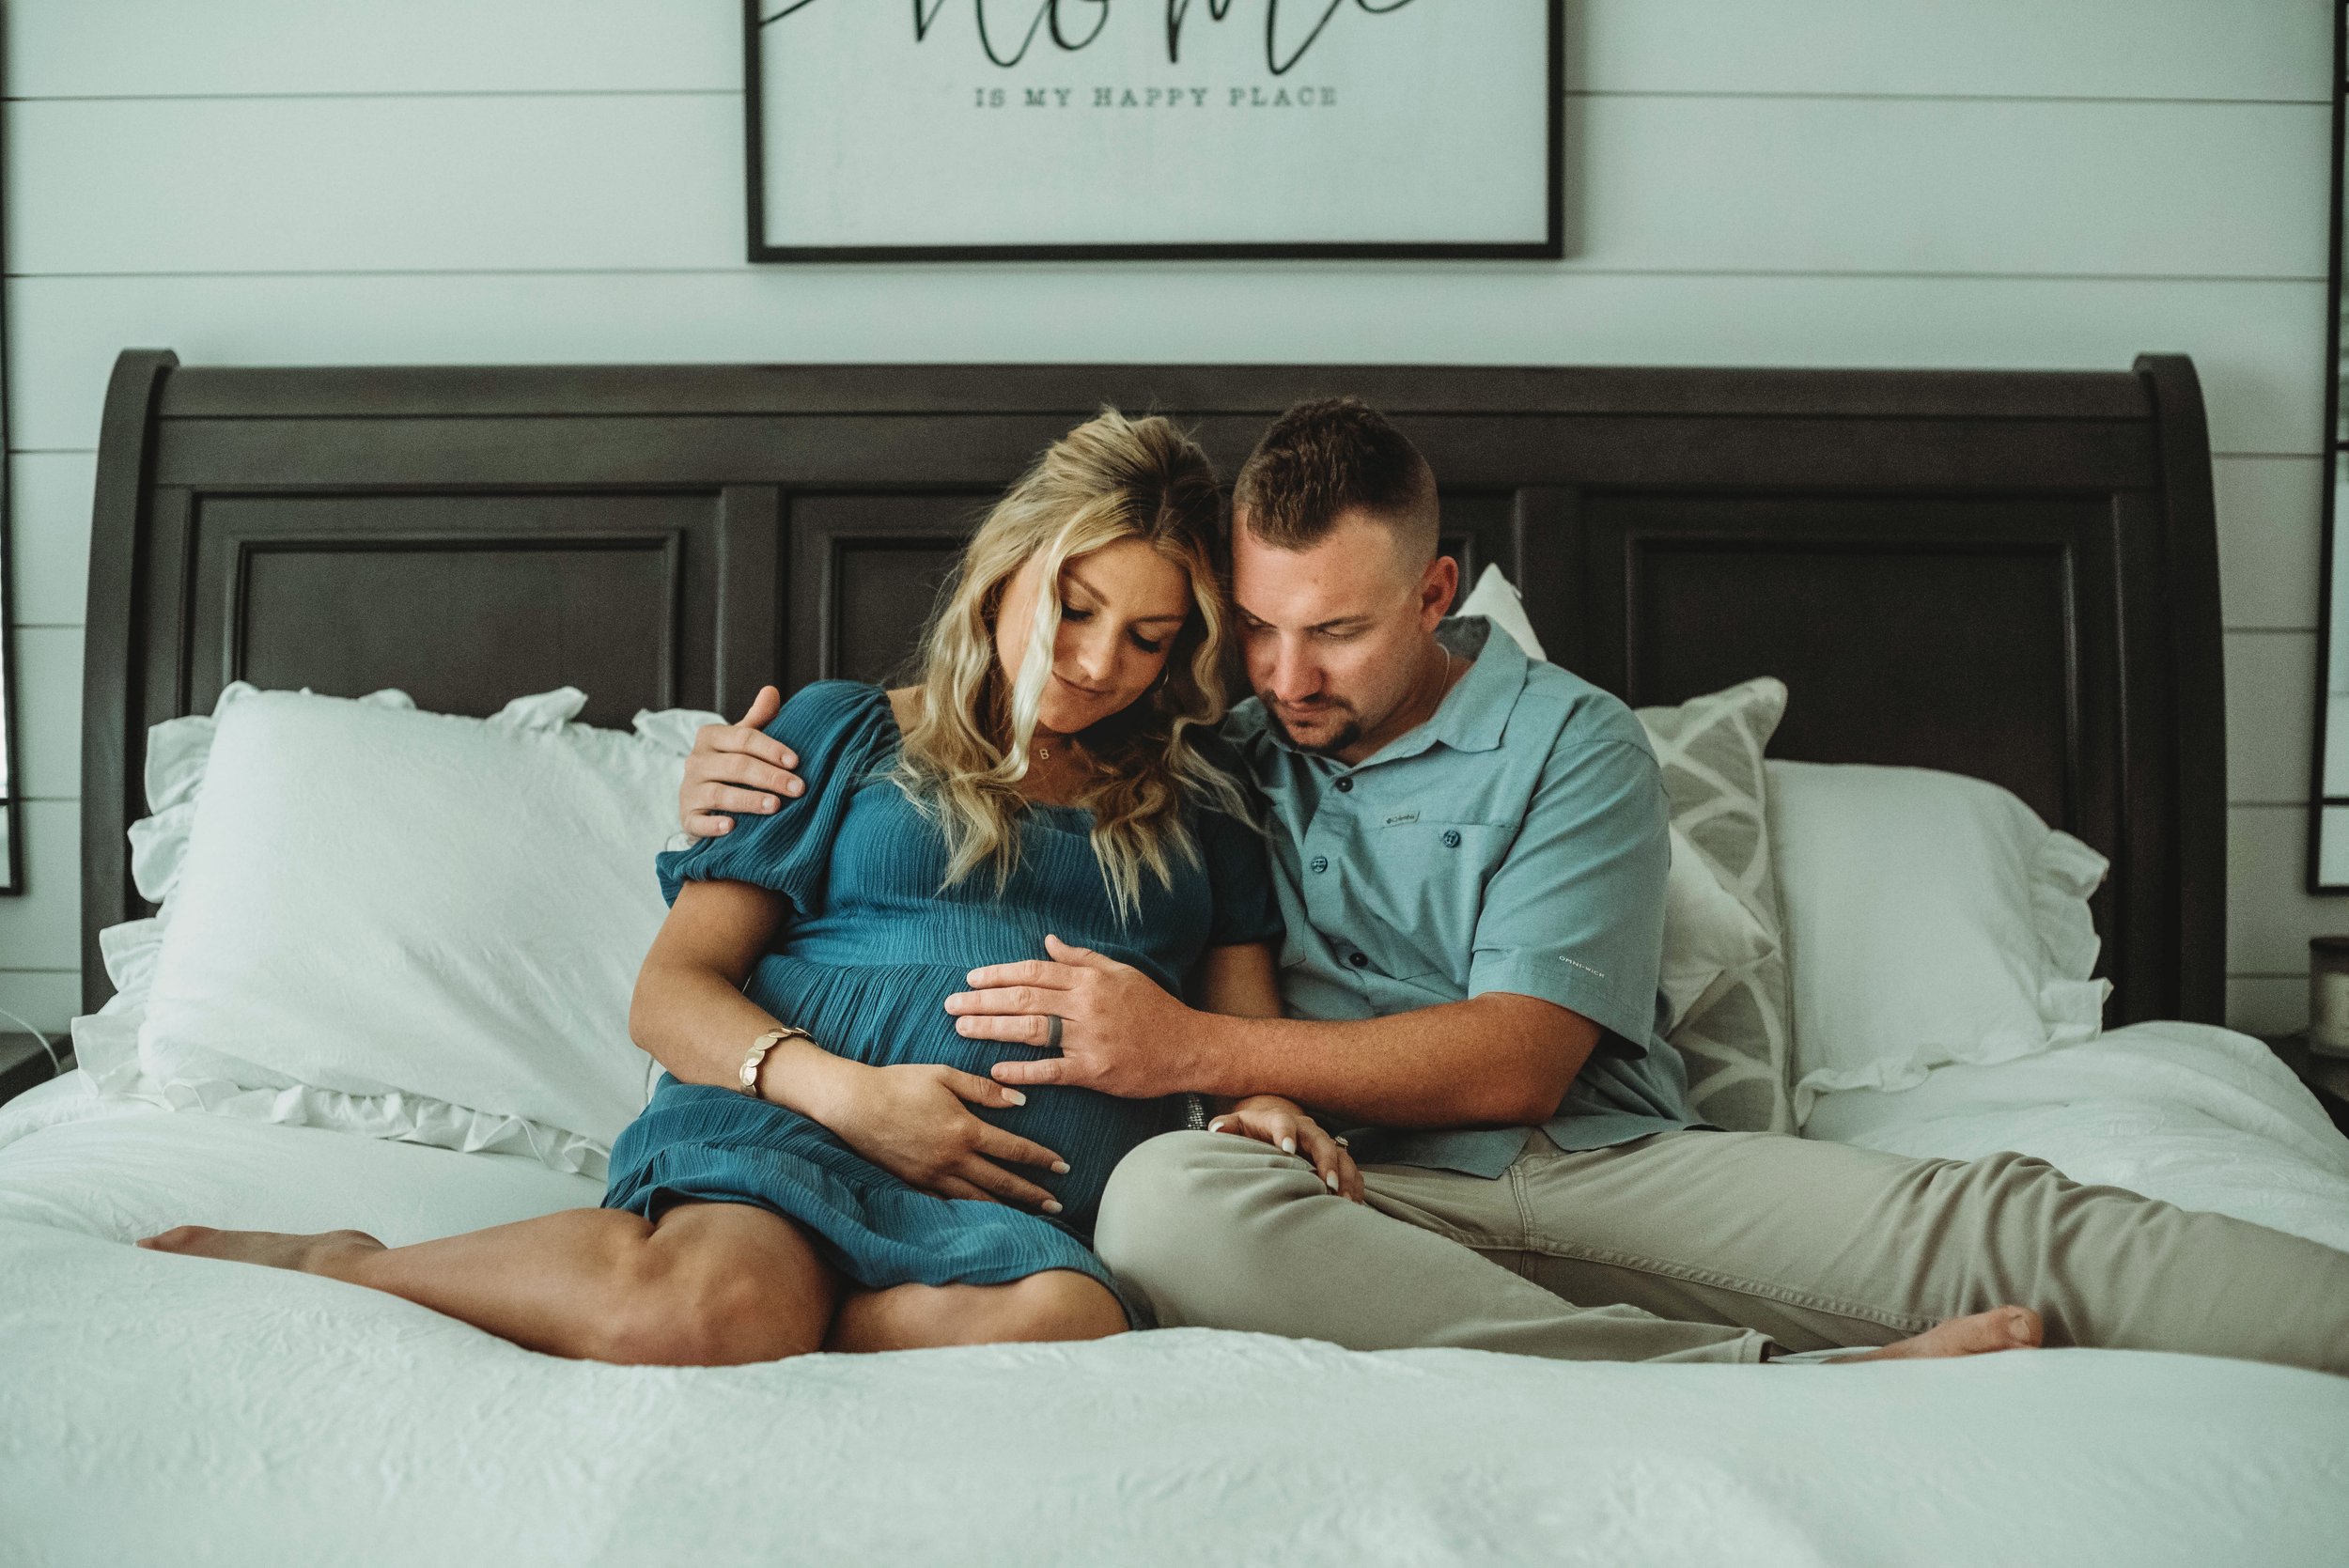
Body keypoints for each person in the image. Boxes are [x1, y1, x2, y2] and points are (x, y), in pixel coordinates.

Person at [683, 396, 2349, 1374]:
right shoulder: (1202, 733)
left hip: (1580, 1159)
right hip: (1324, 1192)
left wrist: (1196, 1050)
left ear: (1439, 592)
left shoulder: (1575, 746)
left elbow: (1519, 1058)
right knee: (1162, 1209)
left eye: (1333, 629)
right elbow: (1001, 720)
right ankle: (1775, 1387)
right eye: (1252, 628)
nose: (1285, 670)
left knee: (2000, 1219)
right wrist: (766, 761)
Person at [132, 409, 1333, 1364]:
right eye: (1075, 607)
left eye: (1148, 636)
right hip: (797, 1125)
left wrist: (1264, 1107)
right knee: (696, 1313)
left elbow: (1244, 1042)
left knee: (1071, 1321)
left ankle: (791, 1321)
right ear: (1006, 570)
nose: (1095, 661)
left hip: (1011, 1211)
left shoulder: (1203, 800)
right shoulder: (843, 732)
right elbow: (671, 991)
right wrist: (855, 1099)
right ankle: (342, 1265)